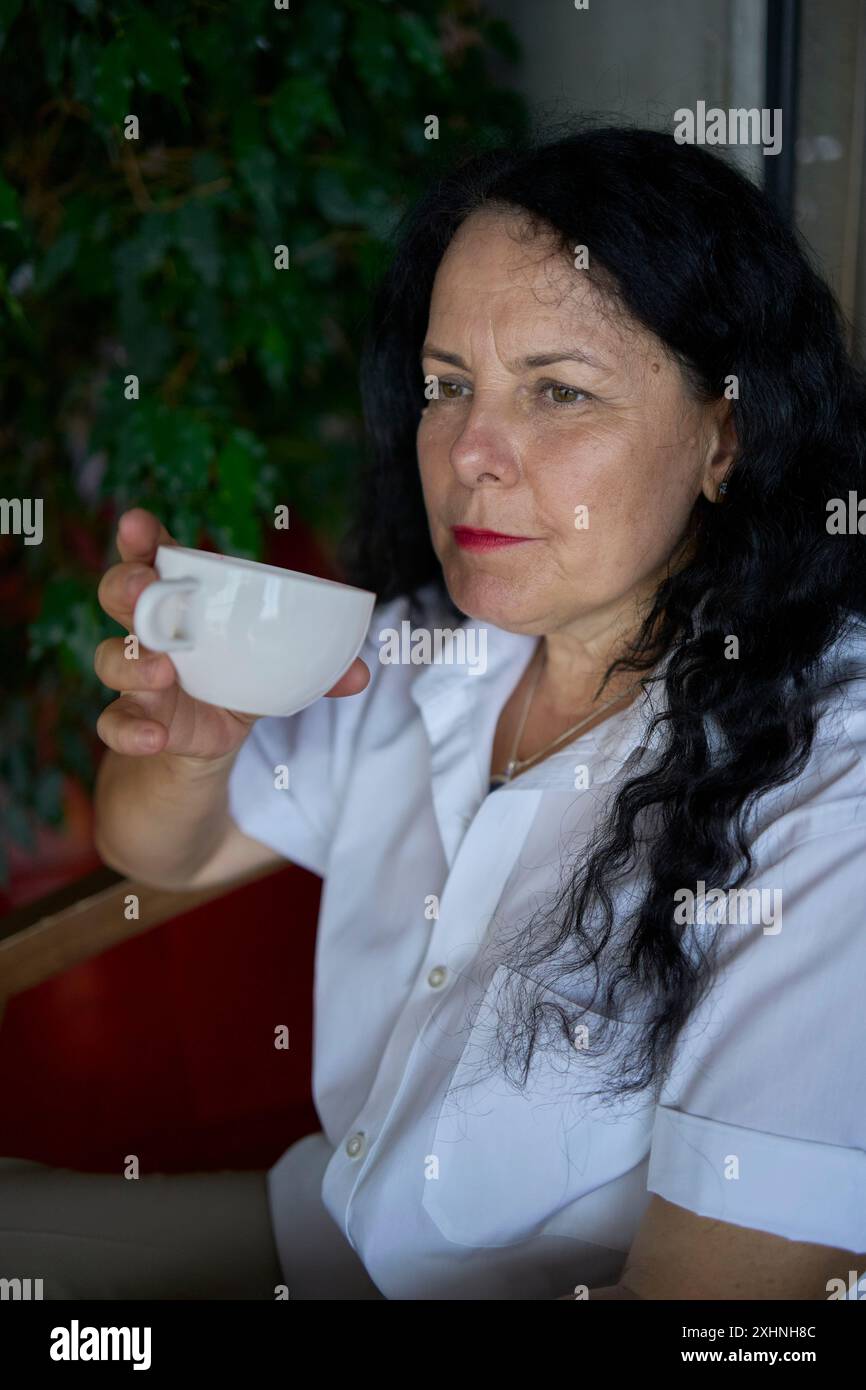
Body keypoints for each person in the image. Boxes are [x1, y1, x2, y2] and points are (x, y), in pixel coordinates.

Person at [3, 124, 866, 1300]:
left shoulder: (827, 787)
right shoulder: (422, 648)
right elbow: (161, 848)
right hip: (313, 1231)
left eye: (557, 392)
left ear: (726, 433)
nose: (469, 453)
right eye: (446, 386)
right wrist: (193, 750)